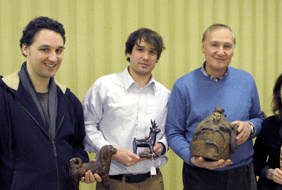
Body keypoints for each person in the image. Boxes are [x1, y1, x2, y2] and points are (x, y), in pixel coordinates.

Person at [0, 16, 100, 190]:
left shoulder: (69, 100)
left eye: (59, 50)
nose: (53, 58)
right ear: (25, 49)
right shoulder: (4, 95)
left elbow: (77, 147)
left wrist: (82, 167)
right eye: (45, 49)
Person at [165, 23, 263, 190]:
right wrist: (191, 158)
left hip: (242, 174)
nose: (221, 51)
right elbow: (173, 131)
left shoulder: (246, 81)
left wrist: (250, 127)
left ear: (233, 50)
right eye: (214, 45)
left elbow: (259, 118)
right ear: (203, 47)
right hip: (199, 175)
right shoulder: (183, 86)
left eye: (227, 46)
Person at [83, 28, 170, 190]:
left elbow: (170, 130)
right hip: (113, 182)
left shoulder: (165, 95)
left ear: (157, 57)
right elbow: (87, 125)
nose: (145, 57)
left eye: (152, 52)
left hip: (153, 182)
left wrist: (162, 145)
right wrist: (112, 152)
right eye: (140, 49)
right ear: (129, 53)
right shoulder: (104, 87)